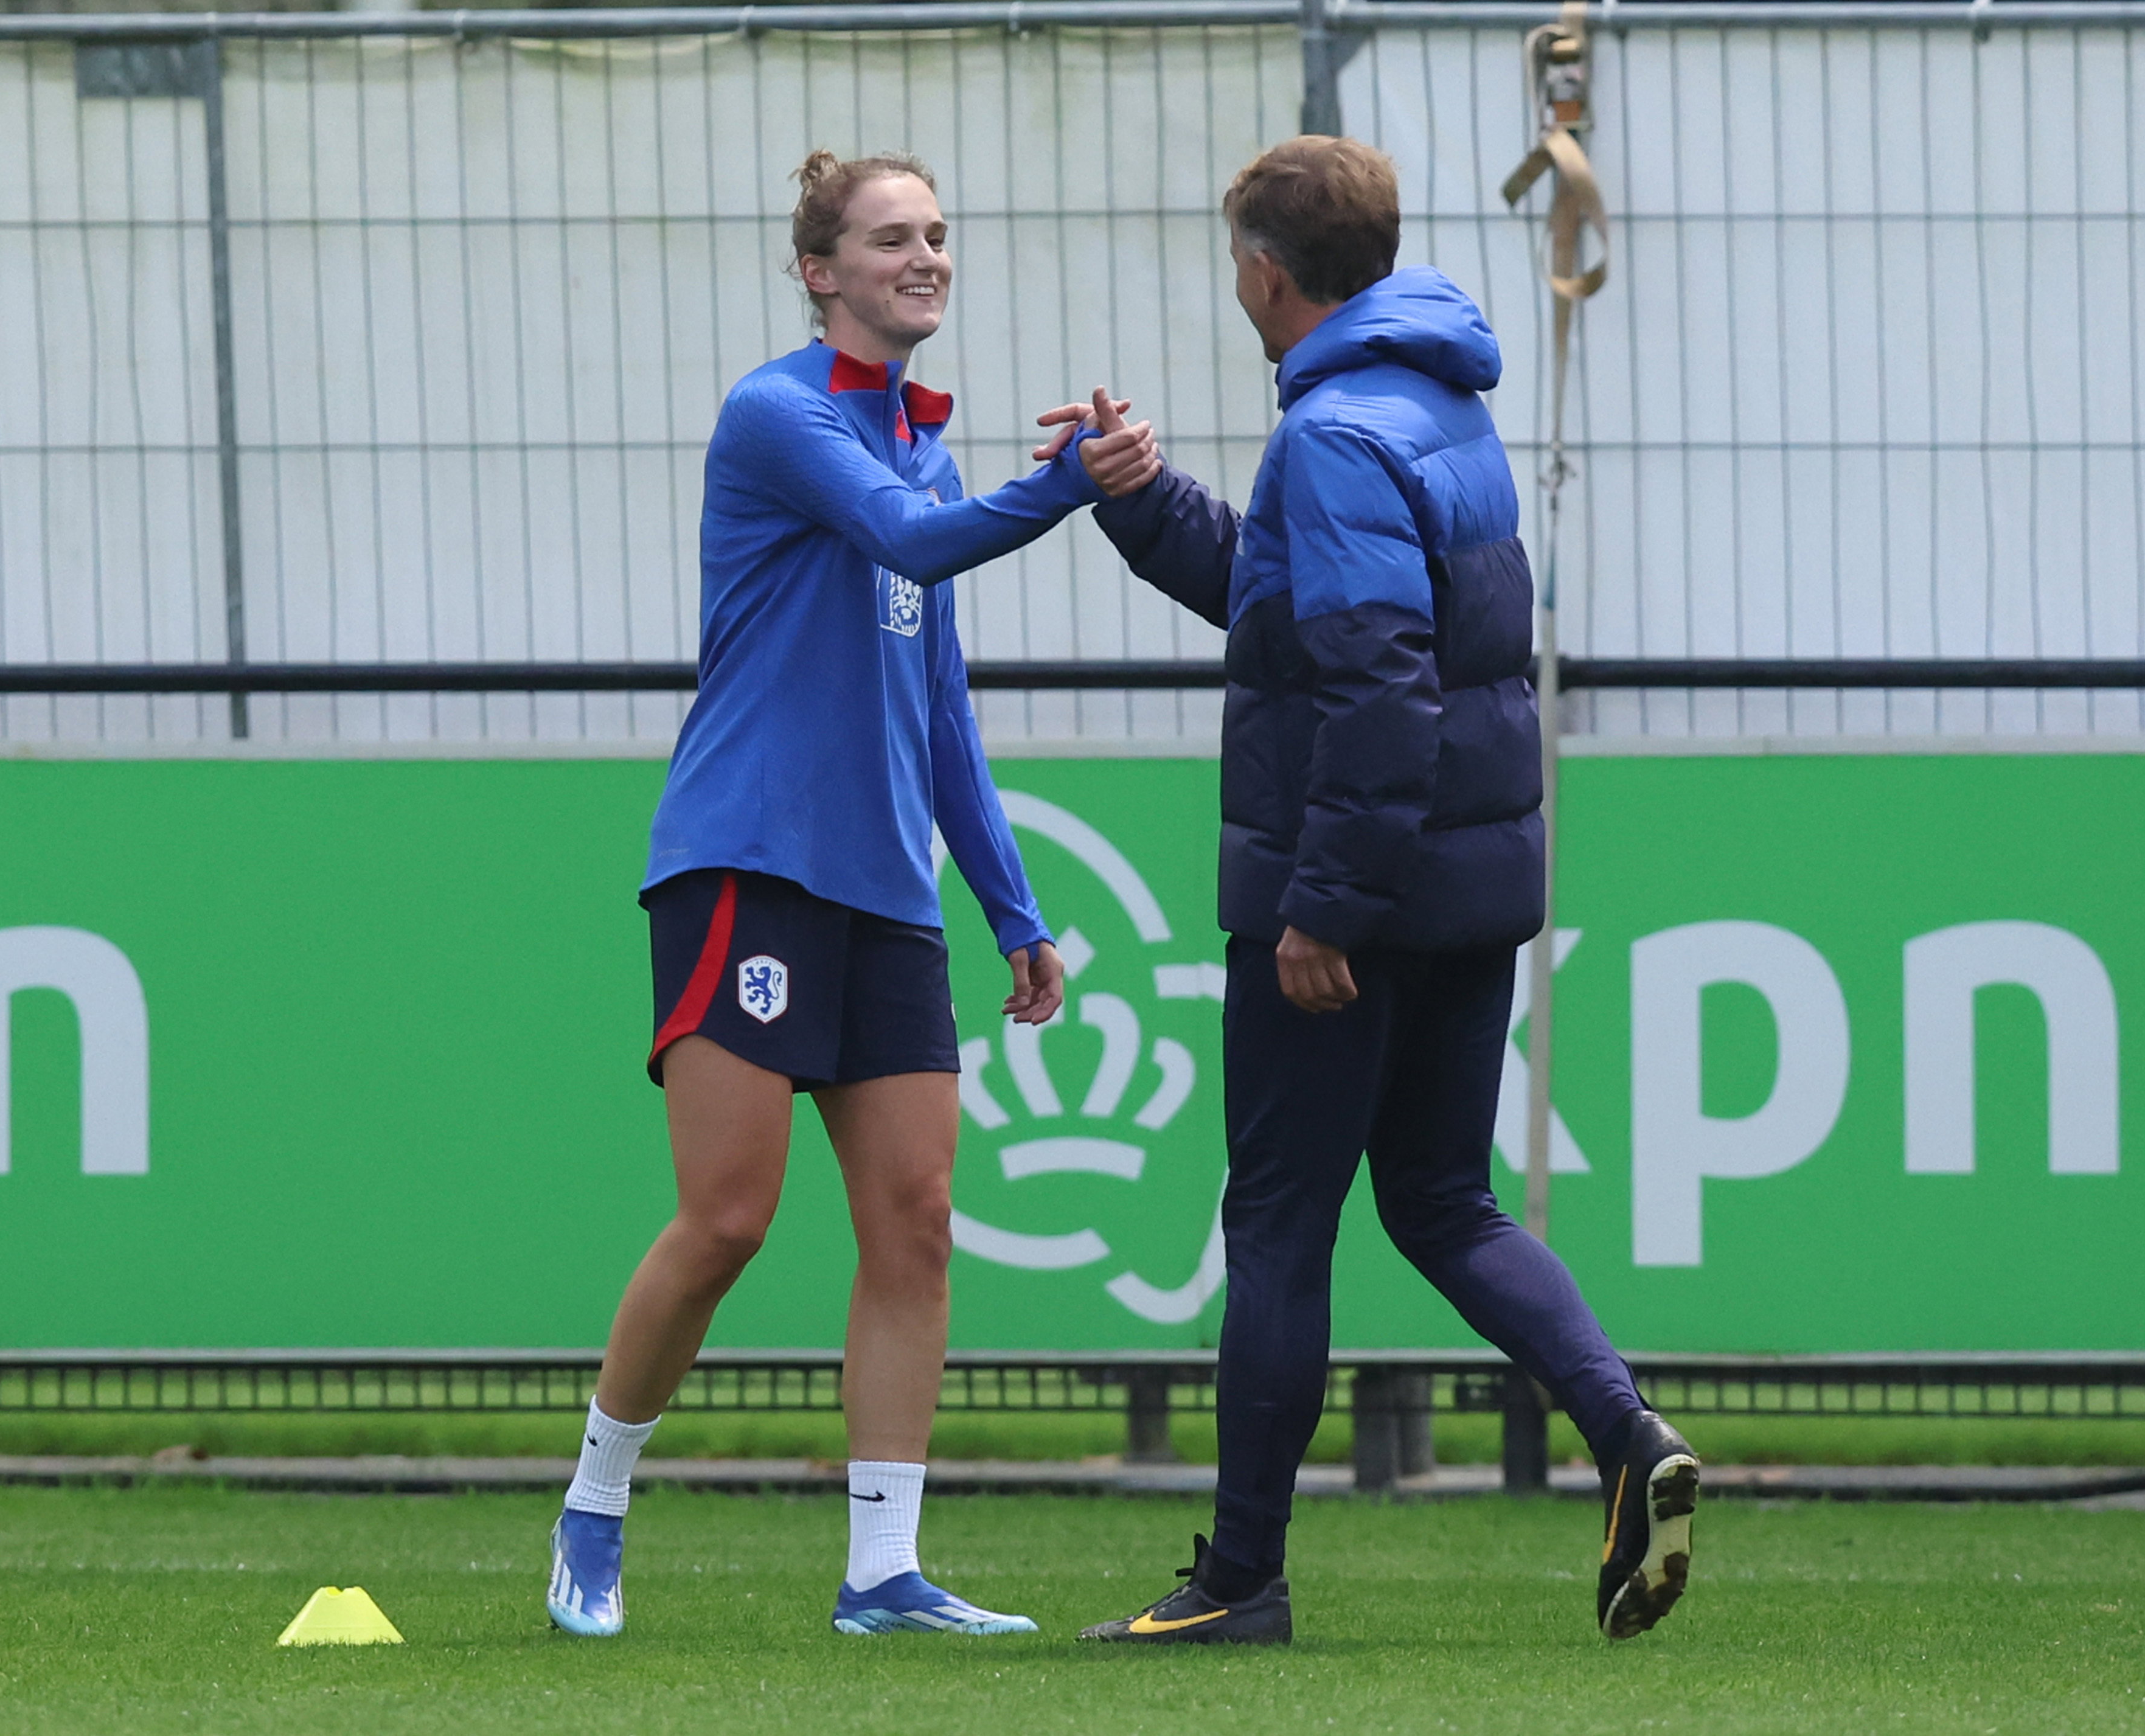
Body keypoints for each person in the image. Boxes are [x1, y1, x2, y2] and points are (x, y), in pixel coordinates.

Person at [1045, 136, 1698, 1645]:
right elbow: (1293, 607)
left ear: (1267, 272)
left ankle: (1239, 1580)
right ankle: (1625, 1433)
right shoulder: (1432, 398)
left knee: (1279, 1224)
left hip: (1357, 896)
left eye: (1235, 257)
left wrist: (1324, 905)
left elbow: (1377, 683)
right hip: (1465, 881)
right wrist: (1141, 499)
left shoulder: (1333, 431)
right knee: (1445, 1202)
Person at [546, 148, 1155, 1641]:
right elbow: (912, 540)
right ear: (819, 271)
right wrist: (1066, 481)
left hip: (886, 895)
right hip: (746, 862)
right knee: (727, 1219)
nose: (923, 255)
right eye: (890, 238)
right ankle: (593, 1506)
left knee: (917, 1220)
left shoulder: (922, 448)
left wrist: (1011, 908)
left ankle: (882, 1569)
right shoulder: (780, 415)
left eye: (936, 233)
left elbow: (940, 710)